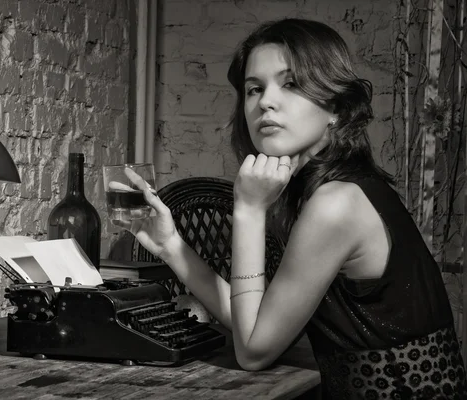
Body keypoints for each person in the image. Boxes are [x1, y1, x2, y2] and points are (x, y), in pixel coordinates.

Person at [113, 18, 466, 399]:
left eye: (291, 83)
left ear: (336, 106)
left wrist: (247, 210)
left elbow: (252, 352)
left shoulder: (337, 204)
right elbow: (261, 327)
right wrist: (171, 246)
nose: (265, 100)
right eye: (253, 89)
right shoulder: (326, 190)